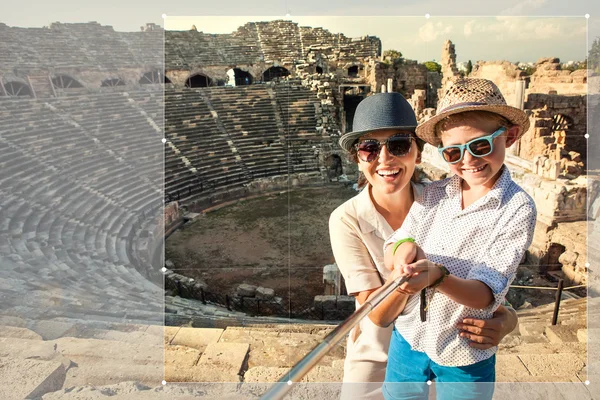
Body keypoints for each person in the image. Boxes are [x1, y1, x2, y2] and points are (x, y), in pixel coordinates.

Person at [329, 92, 519, 400]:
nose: (385, 159)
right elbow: (376, 314)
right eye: (369, 148)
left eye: (399, 145)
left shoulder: (447, 200)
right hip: (376, 355)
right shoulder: (347, 219)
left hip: (449, 350)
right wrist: (411, 277)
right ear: (359, 158)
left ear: (418, 154)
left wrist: (508, 319)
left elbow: (491, 286)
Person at [381, 78, 537, 400]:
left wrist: (436, 277)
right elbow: (393, 244)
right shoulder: (435, 192)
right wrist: (402, 250)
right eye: (453, 153)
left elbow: (485, 293)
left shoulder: (518, 208)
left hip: (465, 347)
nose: (467, 161)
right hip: (410, 336)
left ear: (509, 136)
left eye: (479, 146)